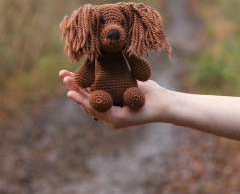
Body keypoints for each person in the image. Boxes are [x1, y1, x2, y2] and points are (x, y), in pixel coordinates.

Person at [59, 70, 240, 141]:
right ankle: (102, 98)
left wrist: (164, 100)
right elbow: (84, 76)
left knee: (134, 95)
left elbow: (140, 69)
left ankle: (131, 97)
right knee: (98, 96)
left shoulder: (125, 56)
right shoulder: (96, 61)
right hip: (102, 89)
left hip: (130, 89)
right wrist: (166, 100)